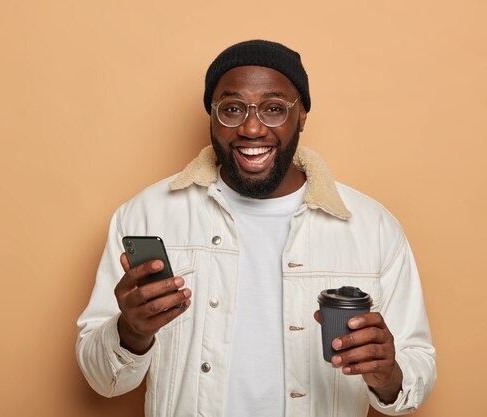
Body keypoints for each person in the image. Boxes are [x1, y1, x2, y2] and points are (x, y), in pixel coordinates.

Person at [76, 40, 436, 417]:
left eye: (274, 109)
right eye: (232, 109)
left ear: (302, 117)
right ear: (211, 117)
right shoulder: (146, 215)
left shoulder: (371, 227)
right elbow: (104, 380)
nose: (251, 127)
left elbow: (416, 372)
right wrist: (131, 333)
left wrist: (387, 373)